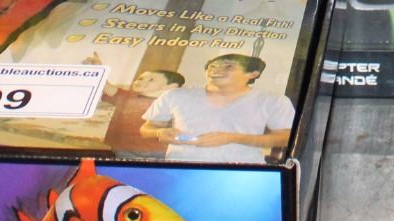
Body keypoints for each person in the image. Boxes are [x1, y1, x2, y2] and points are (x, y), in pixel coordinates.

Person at [140, 53, 294, 163]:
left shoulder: (273, 100)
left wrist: (233, 138)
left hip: (241, 173)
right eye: (212, 66)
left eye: (229, 66)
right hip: (180, 169)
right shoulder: (175, 94)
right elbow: (147, 129)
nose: (216, 70)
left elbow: (286, 138)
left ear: (252, 74)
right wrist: (160, 132)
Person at [96, 63, 183, 150]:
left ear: (170, 86)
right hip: (118, 148)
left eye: (151, 80)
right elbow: (106, 85)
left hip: (151, 151)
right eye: (140, 78)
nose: (140, 81)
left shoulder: (170, 106)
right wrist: (99, 69)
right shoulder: (127, 96)